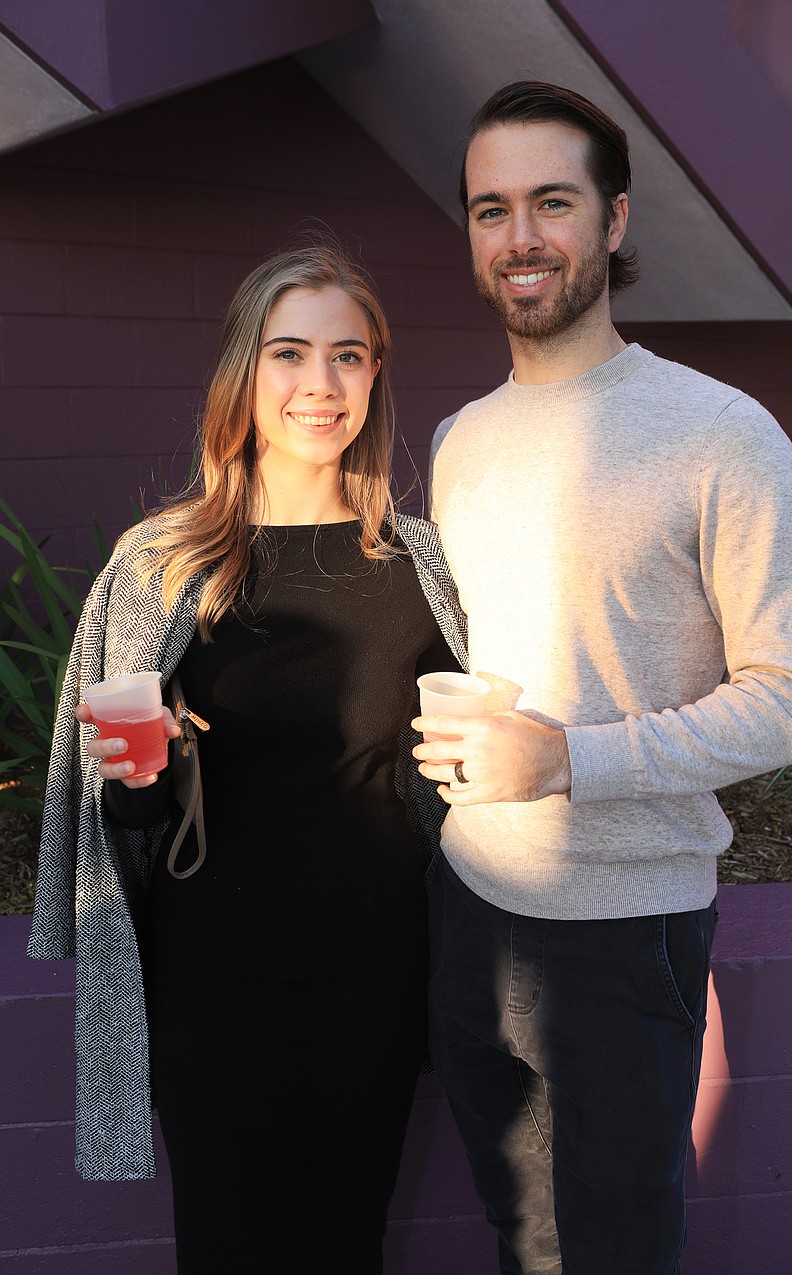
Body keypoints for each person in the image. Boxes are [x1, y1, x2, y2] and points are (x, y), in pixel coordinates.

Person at [412, 81, 792, 1275]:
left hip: (624, 923)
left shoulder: (719, 431)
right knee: (522, 1234)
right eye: (491, 210)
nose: (521, 237)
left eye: (552, 201)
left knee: (614, 1244)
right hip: (468, 902)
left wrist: (566, 758)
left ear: (613, 220)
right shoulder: (460, 438)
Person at [28, 245, 466, 1274]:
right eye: (289, 352)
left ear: (374, 376)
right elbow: (116, 819)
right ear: (242, 372)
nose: (320, 383)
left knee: (348, 1242)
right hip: (211, 982)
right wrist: (138, 782)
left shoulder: (424, 563)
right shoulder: (163, 562)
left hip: (375, 977)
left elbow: (448, 781)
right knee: (225, 1247)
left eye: (349, 355)